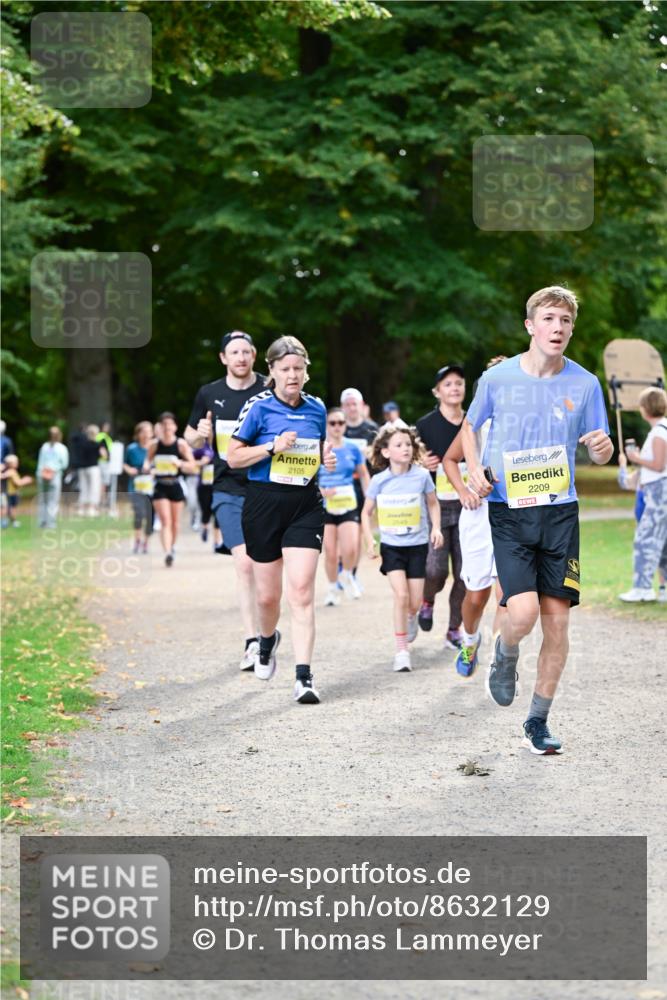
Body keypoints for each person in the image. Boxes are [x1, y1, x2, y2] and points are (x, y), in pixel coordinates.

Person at [462, 285, 613, 755]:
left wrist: (603, 451)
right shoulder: (498, 380)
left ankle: (537, 722)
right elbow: (469, 428)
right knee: (521, 612)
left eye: (565, 321)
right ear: (530, 325)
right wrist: (474, 471)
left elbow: (601, 448)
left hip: (560, 512)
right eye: (549, 319)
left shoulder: (585, 384)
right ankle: (504, 654)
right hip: (510, 509)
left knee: (558, 625)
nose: (558, 328)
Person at [227, 335, 336, 704]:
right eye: (285, 369)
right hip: (263, 504)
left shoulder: (317, 409)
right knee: (268, 597)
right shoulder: (258, 407)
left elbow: (316, 452)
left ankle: (303, 677)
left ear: (307, 372)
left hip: (304, 503)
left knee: (302, 591)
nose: (292, 376)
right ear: (271, 371)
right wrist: (271, 446)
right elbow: (233, 457)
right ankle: (267, 638)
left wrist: (326, 460)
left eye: (298, 369)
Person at [185, 331, 265, 670]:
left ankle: (267, 633)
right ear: (223, 358)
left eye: (246, 352)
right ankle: (252, 641)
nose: (241, 358)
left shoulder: (267, 390)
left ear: (254, 355)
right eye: (234, 352)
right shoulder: (210, 393)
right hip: (227, 489)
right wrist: (199, 435)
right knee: (245, 563)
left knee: (267, 567)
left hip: (265, 487)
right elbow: (189, 438)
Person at [442, 358, 508, 676]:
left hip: (515, 515)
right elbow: (450, 459)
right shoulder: (476, 421)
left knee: (507, 592)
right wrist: (463, 492)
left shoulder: (529, 419)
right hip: (480, 515)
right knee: (476, 595)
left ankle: (500, 658)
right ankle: (470, 640)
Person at [361, 424, 443, 673]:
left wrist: (436, 528)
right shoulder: (379, 480)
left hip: (417, 545)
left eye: (408, 444)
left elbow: (433, 503)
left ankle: (411, 617)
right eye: (398, 445)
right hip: (392, 547)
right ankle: (401, 651)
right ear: (386, 452)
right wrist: (370, 540)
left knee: (415, 602)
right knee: (401, 595)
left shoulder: (421, 475)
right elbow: (366, 513)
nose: (405, 448)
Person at [415, 364, 467, 649]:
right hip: (436, 506)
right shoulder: (424, 426)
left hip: (468, 506)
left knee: (465, 574)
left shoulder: (473, 423)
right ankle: (427, 599)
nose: (455, 388)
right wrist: (419, 463)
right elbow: (406, 459)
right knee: (435, 570)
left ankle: (453, 629)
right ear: (437, 392)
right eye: (448, 384)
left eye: (459, 383)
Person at [619, 387, 667, 602]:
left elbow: (658, 465)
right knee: (662, 542)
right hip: (658, 492)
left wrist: (636, 458)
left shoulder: (659, 433)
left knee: (645, 541)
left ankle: (643, 588)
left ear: (646, 408)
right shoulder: (661, 430)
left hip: (659, 493)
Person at [319, 406, 370, 606]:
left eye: (341, 423)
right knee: (331, 552)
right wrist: (321, 491)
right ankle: (332, 589)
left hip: (348, 501)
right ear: (326, 425)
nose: (337, 426)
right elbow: (309, 476)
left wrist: (370, 497)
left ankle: (347, 574)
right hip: (325, 504)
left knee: (351, 549)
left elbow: (364, 473)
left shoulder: (352, 448)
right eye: (333, 423)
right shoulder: (319, 447)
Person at [146, 412, 196, 567]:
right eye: (164, 424)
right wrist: (149, 469)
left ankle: (172, 547)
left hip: (175, 484)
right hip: (160, 485)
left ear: (175, 427)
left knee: (175, 523)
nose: (167, 427)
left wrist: (180, 464)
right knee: (165, 521)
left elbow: (193, 466)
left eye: (170, 424)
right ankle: (167, 552)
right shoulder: (155, 444)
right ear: (160, 427)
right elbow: (146, 463)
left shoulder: (181, 444)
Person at [340, 387, 379, 583]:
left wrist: (370, 457)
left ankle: (351, 572)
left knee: (356, 535)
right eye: (347, 405)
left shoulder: (372, 430)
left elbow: (382, 460)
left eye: (354, 404)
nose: (351, 408)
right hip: (340, 487)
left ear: (361, 406)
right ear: (342, 407)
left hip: (363, 487)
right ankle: (342, 564)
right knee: (341, 534)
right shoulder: (337, 428)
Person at [123, 421, 154, 554]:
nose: (146, 434)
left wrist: (154, 471)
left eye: (148, 431)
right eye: (143, 432)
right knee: (138, 514)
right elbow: (124, 463)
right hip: (135, 486)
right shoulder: (131, 449)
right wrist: (129, 469)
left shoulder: (155, 447)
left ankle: (146, 542)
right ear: (138, 434)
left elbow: (160, 463)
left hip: (151, 486)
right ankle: (137, 540)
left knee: (150, 515)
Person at [36, 427, 70, 529]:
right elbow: (64, 464)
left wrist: (41, 472)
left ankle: (42, 521)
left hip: (42, 475)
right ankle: (50, 522)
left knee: (43, 499)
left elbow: (40, 462)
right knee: (53, 500)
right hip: (54, 475)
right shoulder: (62, 448)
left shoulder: (45, 447)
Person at [193, 440, 221, 547]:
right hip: (203, 486)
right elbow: (189, 461)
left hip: (218, 485)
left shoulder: (222, 444)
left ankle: (217, 542)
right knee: (206, 510)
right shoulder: (200, 447)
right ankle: (205, 528)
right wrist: (201, 462)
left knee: (218, 513)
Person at [77, 425, 108, 517]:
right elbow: (104, 455)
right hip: (93, 468)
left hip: (82, 468)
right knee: (93, 488)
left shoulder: (82, 443)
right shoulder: (98, 444)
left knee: (84, 487)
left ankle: (82, 508)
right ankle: (91, 508)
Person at [0, 456, 33, 527]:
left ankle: (5, 521)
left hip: (7, 493)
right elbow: (18, 483)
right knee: (12, 508)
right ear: (11, 464)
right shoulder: (11, 472)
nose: (17, 463)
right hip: (12, 493)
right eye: (16, 462)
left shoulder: (7, 471)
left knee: (5, 507)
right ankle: (13, 521)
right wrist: (26, 480)